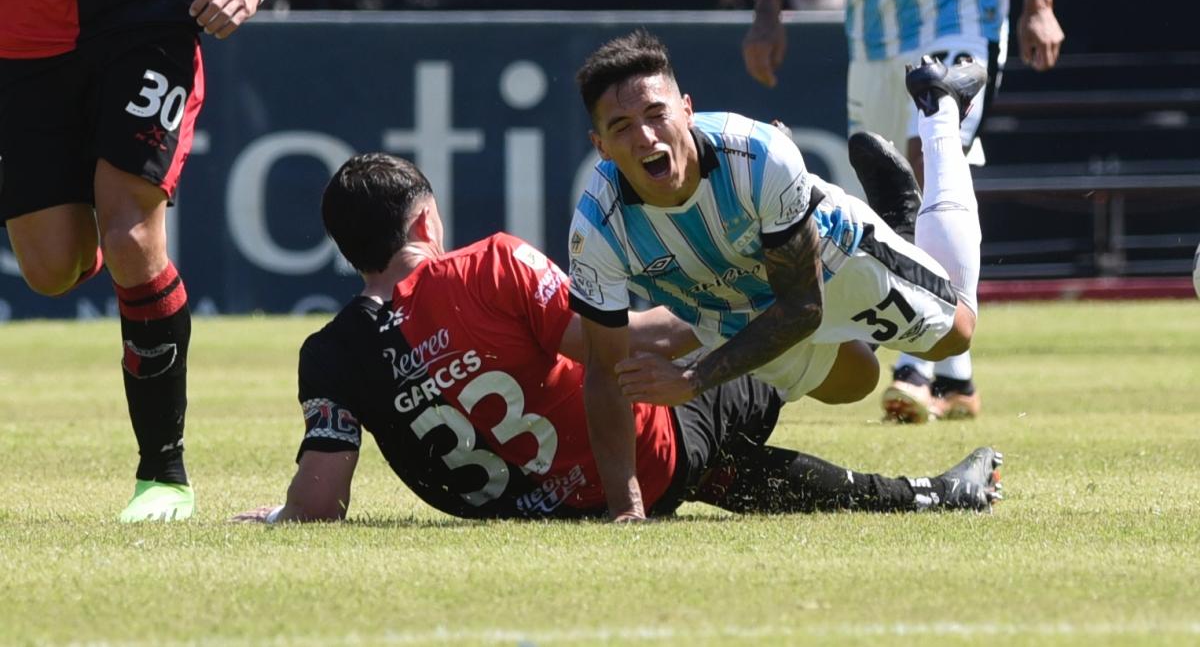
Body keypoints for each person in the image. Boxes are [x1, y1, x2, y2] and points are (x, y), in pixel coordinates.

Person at [234, 153, 1001, 524]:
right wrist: (723, 302)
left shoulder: (327, 351)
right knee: (848, 365)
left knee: (727, 468)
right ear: (426, 223)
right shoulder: (487, 265)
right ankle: (897, 228)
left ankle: (936, 494)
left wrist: (274, 519)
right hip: (643, 452)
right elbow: (614, 347)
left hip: (561, 502)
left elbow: (319, 499)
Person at [0, 0, 312, 522]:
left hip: (150, 24)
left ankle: (163, 475)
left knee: (132, 232)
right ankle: (100, 210)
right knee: (51, 267)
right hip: (24, 28)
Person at [568, 30, 989, 520]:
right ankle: (897, 223)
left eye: (656, 114)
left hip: (832, 258)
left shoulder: (756, 155)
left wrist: (694, 377)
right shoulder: (596, 227)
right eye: (621, 126)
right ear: (600, 146)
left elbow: (804, 308)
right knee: (855, 382)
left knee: (956, 336)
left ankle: (939, 112)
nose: (645, 137)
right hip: (737, 305)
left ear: (686, 109)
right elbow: (602, 372)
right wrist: (627, 510)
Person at [742, 0, 1066, 424]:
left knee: (932, 137)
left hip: (966, 11)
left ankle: (917, 363)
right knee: (891, 192)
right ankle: (957, 378)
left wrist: (1041, 0)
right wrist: (765, 13)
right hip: (874, 29)